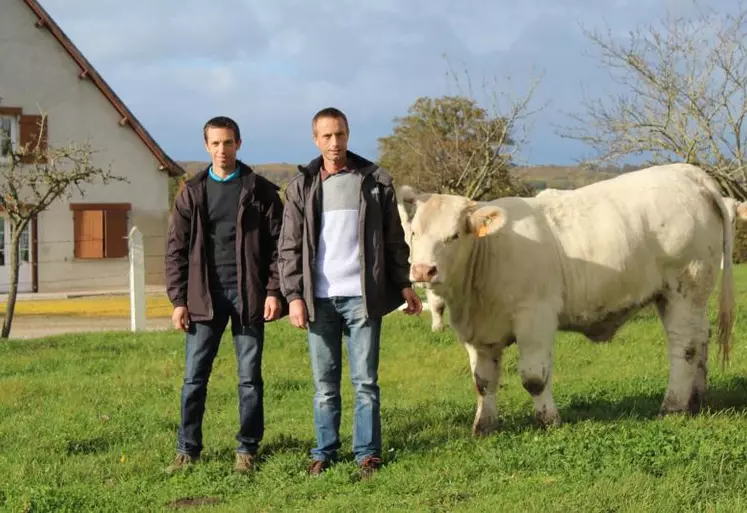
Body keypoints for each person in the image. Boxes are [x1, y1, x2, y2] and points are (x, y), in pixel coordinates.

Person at [278, 107, 422, 479]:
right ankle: (324, 451)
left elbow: (394, 240)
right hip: (318, 299)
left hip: (362, 297)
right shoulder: (302, 186)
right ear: (315, 139)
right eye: (326, 136)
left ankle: (367, 454)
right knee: (325, 386)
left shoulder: (374, 181)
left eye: (340, 134)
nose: (334, 142)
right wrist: (294, 296)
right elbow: (289, 247)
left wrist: (404, 283)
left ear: (348, 134)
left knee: (366, 383)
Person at [164, 116, 285, 474]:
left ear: (239, 144)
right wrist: (178, 300)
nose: (222, 150)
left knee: (249, 378)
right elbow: (175, 250)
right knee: (193, 379)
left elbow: (281, 245)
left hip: (248, 296)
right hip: (203, 298)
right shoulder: (191, 192)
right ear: (206, 147)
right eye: (215, 143)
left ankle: (247, 450)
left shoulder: (260, 190)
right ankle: (188, 449)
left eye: (228, 142)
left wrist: (273, 291)